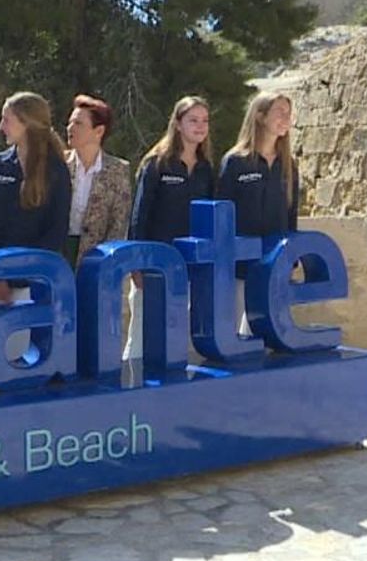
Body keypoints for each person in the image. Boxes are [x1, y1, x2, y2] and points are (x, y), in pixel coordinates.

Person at [0, 91, 71, 357]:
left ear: (27, 123)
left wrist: (18, 277)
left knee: (24, 356)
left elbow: (55, 231)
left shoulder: (56, 171)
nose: (0, 126)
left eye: (7, 120)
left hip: (32, 283)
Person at [125, 95, 216, 360]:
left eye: (205, 121)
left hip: (191, 266)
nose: (200, 126)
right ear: (177, 124)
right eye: (193, 120)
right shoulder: (157, 164)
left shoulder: (206, 169)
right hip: (155, 264)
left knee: (181, 337)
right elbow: (139, 216)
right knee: (142, 335)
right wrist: (137, 264)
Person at [217, 92, 300, 335]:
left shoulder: (288, 165)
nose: (286, 118)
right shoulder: (235, 162)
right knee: (233, 333)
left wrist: (291, 257)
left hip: (275, 263)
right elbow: (222, 213)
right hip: (240, 264)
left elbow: (291, 213)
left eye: (288, 113)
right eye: (280, 112)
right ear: (261, 117)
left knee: (265, 333)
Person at [64, 94, 132, 266]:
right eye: (70, 122)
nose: (70, 128)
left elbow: (119, 223)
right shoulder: (59, 164)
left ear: (99, 131)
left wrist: (107, 264)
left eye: (78, 123)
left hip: (97, 259)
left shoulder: (118, 170)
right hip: (59, 256)